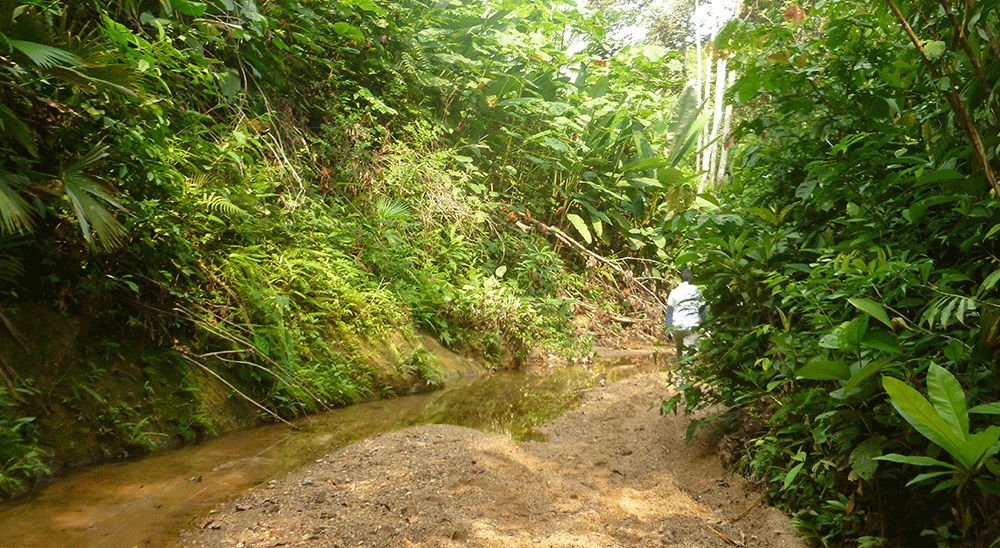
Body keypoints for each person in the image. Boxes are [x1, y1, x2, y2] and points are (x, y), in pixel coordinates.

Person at [665, 268, 704, 358]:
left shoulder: (674, 292)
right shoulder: (698, 291)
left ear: (681, 279)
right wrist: (705, 326)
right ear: (692, 279)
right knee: (688, 355)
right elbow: (702, 310)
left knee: (679, 352)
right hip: (691, 326)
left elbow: (669, 312)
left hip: (677, 326)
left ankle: (678, 370)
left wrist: (667, 330)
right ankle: (686, 370)